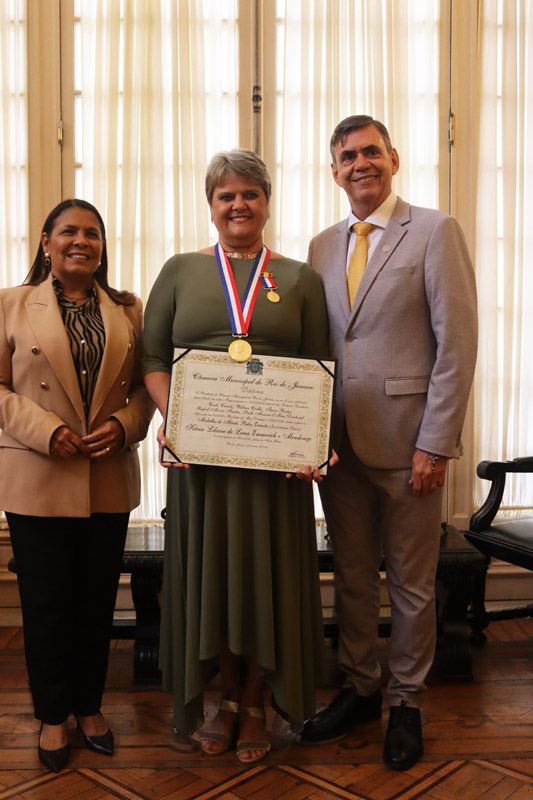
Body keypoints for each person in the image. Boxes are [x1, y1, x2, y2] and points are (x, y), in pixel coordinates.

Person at [300, 116, 478, 770]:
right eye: (347, 156)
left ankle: (405, 702)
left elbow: (456, 346)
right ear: (334, 171)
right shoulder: (320, 246)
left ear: (393, 158)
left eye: (370, 151)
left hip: (410, 447)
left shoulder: (434, 230)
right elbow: (320, 345)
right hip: (338, 448)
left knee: (410, 583)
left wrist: (436, 443)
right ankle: (360, 688)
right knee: (351, 577)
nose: (360, 164)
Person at [143, 148, 330, 764]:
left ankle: (255, 701)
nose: (238, 204)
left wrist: (314, 445)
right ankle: (224, 698)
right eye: (226, 195)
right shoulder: (178, 271)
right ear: (211, 205)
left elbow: (319, 371)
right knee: (213, 576)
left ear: (267, 203)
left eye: (250, 193)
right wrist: (175, 420)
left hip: (276, 468)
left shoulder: (300, 278)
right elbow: (152, 360)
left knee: (264, 575)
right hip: (201, 464)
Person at [0, 199, 154, 772]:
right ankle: (51, 716)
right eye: (69, 231)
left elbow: (146, 388)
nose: (81, 241)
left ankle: (89, 709)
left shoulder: (128, 309)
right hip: (37, 476)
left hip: (106, 475)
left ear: (102, 246)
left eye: (92, 233)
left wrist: (125, 425)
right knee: (46, 605)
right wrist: (46, 431)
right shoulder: (10, 304)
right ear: (46, 241)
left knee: (95, 602)